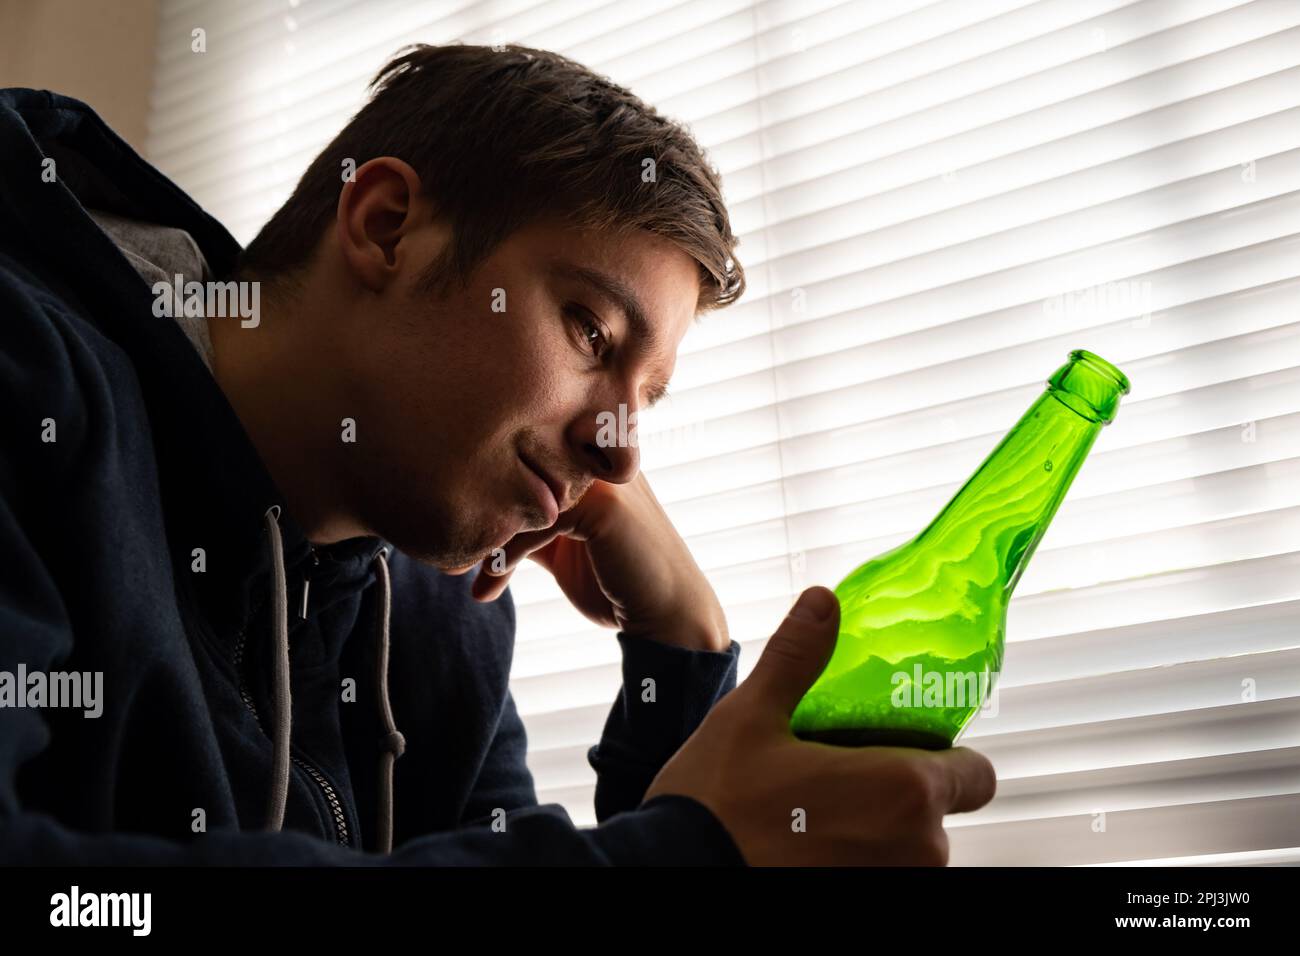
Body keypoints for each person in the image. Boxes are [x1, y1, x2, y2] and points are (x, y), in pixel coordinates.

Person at [0, 42, 994, 866]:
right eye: (592, 331)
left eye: (646, 398)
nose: (617, 453)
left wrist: (680, 647)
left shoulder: (441, 625)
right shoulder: (27, 379)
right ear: (388, 227)